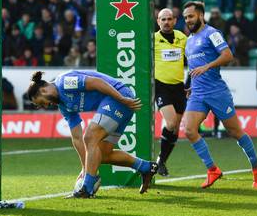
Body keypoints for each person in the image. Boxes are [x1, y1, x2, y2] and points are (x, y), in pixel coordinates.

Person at [27, 71, 158, 198]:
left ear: (43, 91)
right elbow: (77, 137)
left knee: (90, 137)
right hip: (116, 103)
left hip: (118, 97)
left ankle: (87, 188)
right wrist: (85, 167)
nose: (45, 106)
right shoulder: (63, 106)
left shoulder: (64, 82)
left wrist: (121, 98)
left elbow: (96, 82)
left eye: (41, 102)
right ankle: (146, 167)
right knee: (102, 155)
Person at [182, 1, 257, 189]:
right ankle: (212, 170)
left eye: (191, 16)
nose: (188, 20)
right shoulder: (189, 41)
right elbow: (195, 68)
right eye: (186, 17)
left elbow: (228, 56)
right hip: (198, 93)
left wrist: (207, 66)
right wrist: (192, 86)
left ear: (201, 16)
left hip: (217, 92)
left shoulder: (212, 33)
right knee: (189, 130)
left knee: (234, 132)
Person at [154, 8, 188, 177]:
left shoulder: (182, 38)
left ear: (174, 20)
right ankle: (160, 161)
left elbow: (192, 60)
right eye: (163, 19)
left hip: (179, 88)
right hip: (161, 87)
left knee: (175, 130)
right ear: (158, 21)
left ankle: (161, 161)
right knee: (171, 122)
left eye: (169, 19)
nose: (166, 22)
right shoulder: (153, 40)